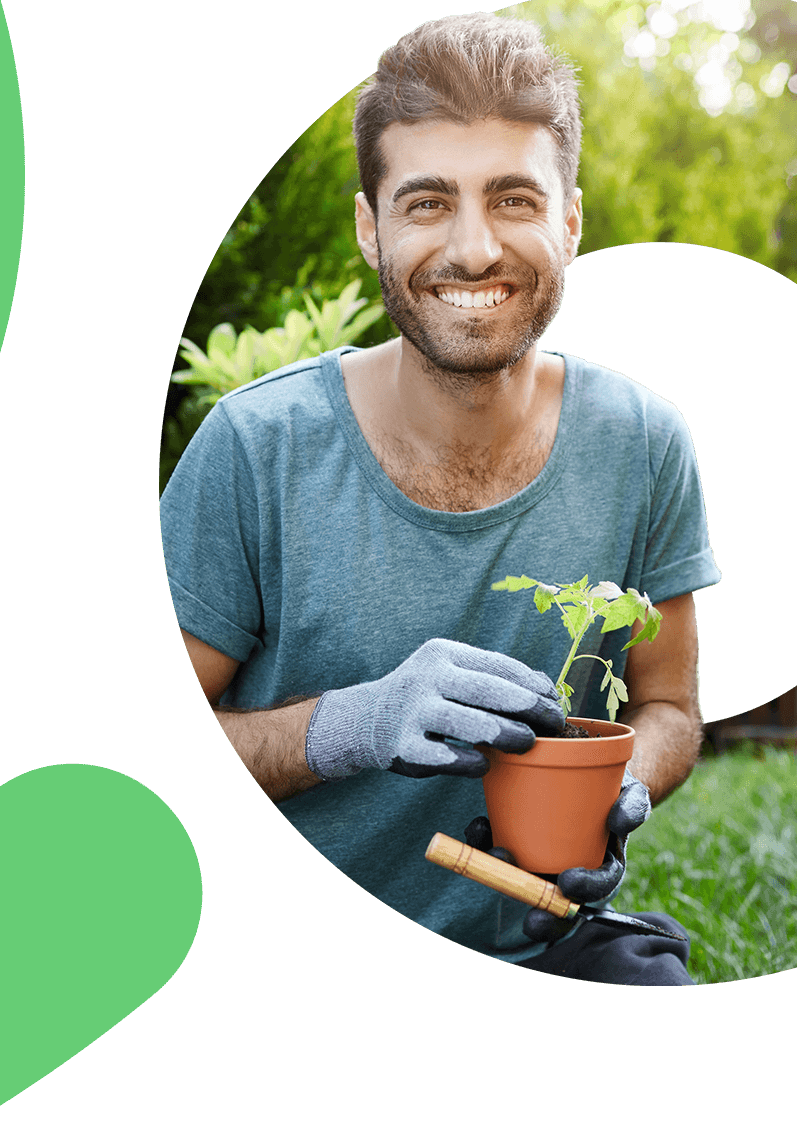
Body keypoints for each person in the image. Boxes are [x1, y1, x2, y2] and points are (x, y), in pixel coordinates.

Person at [159, 13, 719, 985]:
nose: (473, 249)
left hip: (540, 938)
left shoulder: (643, 440)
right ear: (370, 227)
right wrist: (350, 725)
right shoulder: (255, 449)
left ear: (571, 222)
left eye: (513, 199)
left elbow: (670, 703)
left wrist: (619, 786)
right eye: (427, 203)